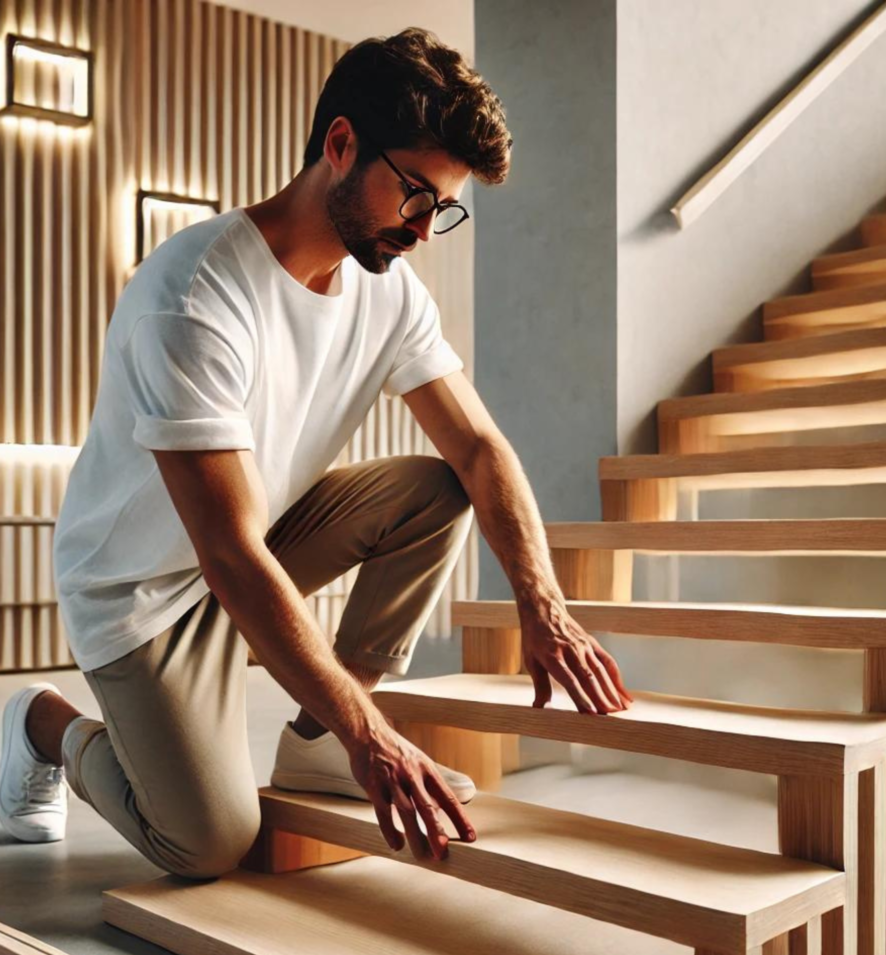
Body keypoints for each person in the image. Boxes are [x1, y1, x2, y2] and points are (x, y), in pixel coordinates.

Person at [0, 27, 633, 878]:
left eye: (442, 207)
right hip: (142, 593)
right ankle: (40, 725)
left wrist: (542, 601)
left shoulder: (392, 293)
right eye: (414, 195)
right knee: (207, 844)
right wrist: (370, 734)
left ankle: (312, 747)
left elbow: (479, 448)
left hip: (254, 543)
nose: (424, 230)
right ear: (340, 145)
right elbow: (226, 554)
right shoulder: (195, 300)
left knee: (436, 489)